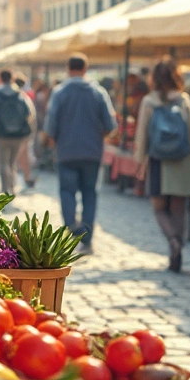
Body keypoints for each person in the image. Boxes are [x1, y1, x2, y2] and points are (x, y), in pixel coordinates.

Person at [134, 57, 190, 273]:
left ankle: (172, 241)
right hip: (181, 161)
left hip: (158, 162)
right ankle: (178, 244)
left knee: (158, 209)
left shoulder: (149, 101)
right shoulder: (183, 100)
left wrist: (139, 161)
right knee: (178, 210)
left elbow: (142, 134)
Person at [45, 53, 117, 254]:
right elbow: (110, 124)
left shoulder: (60, 93)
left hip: (66, 151)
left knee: (67, 192)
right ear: (86, 69)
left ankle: (72, 229)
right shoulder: (98, 92)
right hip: (92, 152)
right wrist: (98, 136)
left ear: (68, 69)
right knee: (90, 194)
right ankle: (87, 237)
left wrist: (54, 143)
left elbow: (50, 125)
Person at [0, 69, 37, 197]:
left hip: (1, 134)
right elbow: (30, 113)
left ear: (0, 78)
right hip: (18, 135)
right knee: (12, 162)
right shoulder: (20, 93)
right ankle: (12, 186)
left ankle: (5, 188)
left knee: (3, 162)